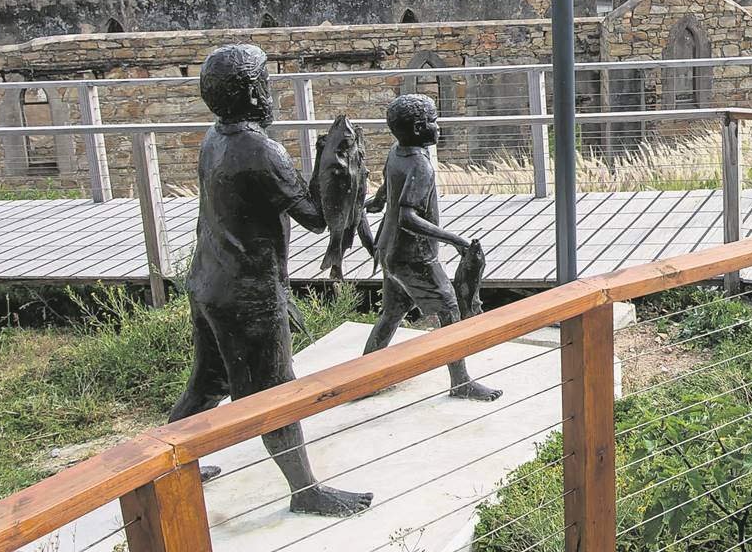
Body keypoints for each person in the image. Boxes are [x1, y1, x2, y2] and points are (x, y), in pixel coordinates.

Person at [167, 44, 373, 516]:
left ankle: (174, 464)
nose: (273, 93)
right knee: (276, 393)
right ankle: (305, 491)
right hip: (248, 294)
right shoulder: (262, 150)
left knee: (207, 382)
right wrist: (338, 165)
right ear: (253, 93)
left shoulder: (213, 138)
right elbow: (316, 218)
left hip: (209, 282)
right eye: (267, 83)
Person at [363, 93, 501, 402]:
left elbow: (388, 186)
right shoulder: (421, 166)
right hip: (414, 258)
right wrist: (456, 240)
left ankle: (365, 377)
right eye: (434, 122)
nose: (438, 127)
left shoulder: (397, 152)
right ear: (417, 129)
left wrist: (377, 201)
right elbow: (408, 218)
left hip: (389, 251)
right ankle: (461, 382)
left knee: (391, 313)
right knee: (450, 311)